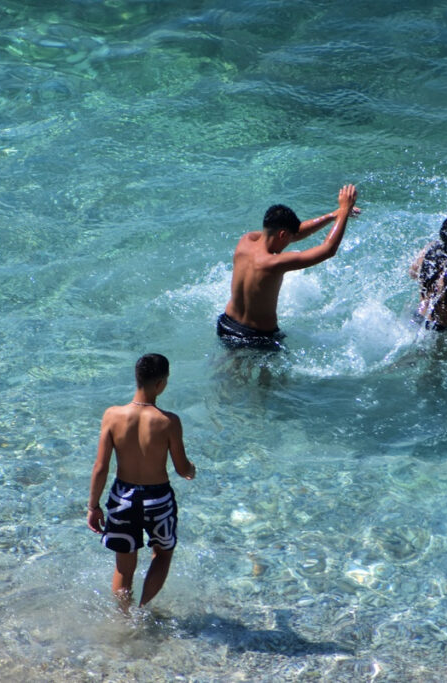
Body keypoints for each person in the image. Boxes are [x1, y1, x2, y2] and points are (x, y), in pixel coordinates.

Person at [86, 353, 196, 611]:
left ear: (137, 378)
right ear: (161, 383)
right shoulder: (168, 422)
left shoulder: (112, 415)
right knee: (162, 554)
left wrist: (93, 506)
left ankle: (124, 620)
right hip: (158, 499)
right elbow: (182, 468)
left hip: (123, 497)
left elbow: (101, 467)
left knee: (124, 568)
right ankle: (143, 610)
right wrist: (192, 469)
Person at [217, 184, 359, 349]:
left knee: (230, 371)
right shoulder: (274, 263)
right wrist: (343, 211)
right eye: (288, 237)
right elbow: (328, 250)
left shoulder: (246, 241)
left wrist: (333, 215)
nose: (291, 241)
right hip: (257, 337)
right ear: (282, 234)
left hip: (226, 325)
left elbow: (294, 233)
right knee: (272, 375)